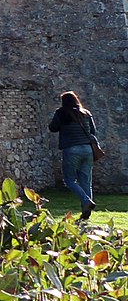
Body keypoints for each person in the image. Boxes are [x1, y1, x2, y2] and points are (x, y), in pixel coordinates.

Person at [50, 91, 105, 219]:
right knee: (86, 181)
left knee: (69, 180)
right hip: (88, 149)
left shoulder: (61, 113)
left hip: (71, 149)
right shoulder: (86, 113)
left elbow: (53, 128)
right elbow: (93, 131)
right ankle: (86, 213)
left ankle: (86, 201)